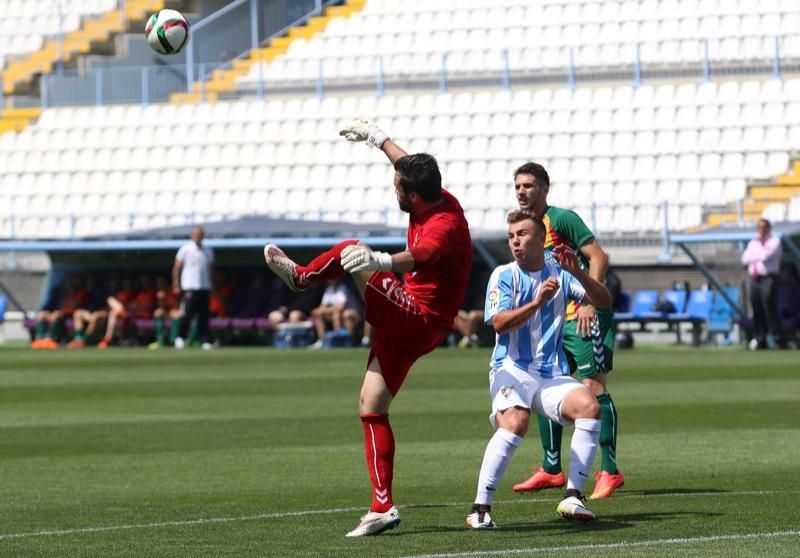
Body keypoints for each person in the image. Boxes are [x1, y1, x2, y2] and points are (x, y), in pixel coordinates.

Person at [263, 120, 472, 537]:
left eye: (397, 188)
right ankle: (382, 507)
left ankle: (301, 279)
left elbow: (422, 253)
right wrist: (377, 137)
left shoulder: (443, 225)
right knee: (371, 405)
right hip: (412, 322)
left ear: (413, 195)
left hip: (417, 316)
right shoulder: (431, 194)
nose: (393, 190)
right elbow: (404, 162)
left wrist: (381, 262)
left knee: (350, 250)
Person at [466, 209, 612, 528]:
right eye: (511, 236)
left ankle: (573, 496)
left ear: (540, 238)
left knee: (589, 406)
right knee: (516, 422)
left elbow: (603, 301)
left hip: (549, 374)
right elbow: (500, 325)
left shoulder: (560, 272)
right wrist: (537, 302)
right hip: (510, 369)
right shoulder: (503, 275)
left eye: (522, 235)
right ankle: (480, 508)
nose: (515, 242)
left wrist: (582, 273)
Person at [510, 162, 624, 500]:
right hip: (555, 323)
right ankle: (551, 468)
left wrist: (590, 300)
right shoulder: (524, 227)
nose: (521, 191)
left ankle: (610, 471)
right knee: (548, 386)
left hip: (584, 316)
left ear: (544, 188)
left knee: (592, 386)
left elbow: (598, 256)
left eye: (528, 185)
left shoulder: (561, 219)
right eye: (517, 186)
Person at [741, 218, 784, 350]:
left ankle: (776, 337)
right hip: (755, 278)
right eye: (759, 227)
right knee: (756, 305)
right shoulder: (753, 242)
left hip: (768, 278)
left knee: (769, 305)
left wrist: (756, 254)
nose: (761, 230)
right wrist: (757, 253)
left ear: (769, 228)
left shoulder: (774, 241)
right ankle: (761, 337)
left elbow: (766, 256)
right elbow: (745, 259)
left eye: (764, 227)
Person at [172, 225, 214, 350]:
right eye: (195, 234)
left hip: (204, 287)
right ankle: (180, 337)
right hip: (189, 287)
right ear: (191, 236)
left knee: (204, 316)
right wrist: (176, 283)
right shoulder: (185, 249)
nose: (197, 236)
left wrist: (212, 285)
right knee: (187, 314)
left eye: (199, 234)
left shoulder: (208, 250)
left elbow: (211, 269)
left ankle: (204, 340)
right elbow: (177, 267)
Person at [31, 274, 90, 349]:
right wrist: (46, 311)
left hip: (69, 314)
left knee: (56, 314)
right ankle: (38, 340)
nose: (72, 282)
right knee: (42, 315)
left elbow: (78, 306)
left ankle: (51, 339)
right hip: (58, 312)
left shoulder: (83, 293)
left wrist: (61, 312)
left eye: (75, 280)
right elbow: (50, 304)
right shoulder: (61, 292)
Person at [309, 278, 360, 349]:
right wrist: (318, 311)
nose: (330, 280)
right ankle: (322, 341)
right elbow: (323, 306)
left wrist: (323, 310)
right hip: (337, 314)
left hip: (352, 313)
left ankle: (343, 340)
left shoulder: (343, 288)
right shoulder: (328, 289)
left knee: (338, 314)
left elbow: (341, 307)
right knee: (320, 315)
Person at [97, 276, 137, 349]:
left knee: (111, 302)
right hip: (119, 314)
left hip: (128, 315)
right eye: (125, 283)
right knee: (112, 310)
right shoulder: (120, 294)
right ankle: (107, 339)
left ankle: (107, 339)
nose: (126, 285)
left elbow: (133, 306)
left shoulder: (133, 294)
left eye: (128, 283)